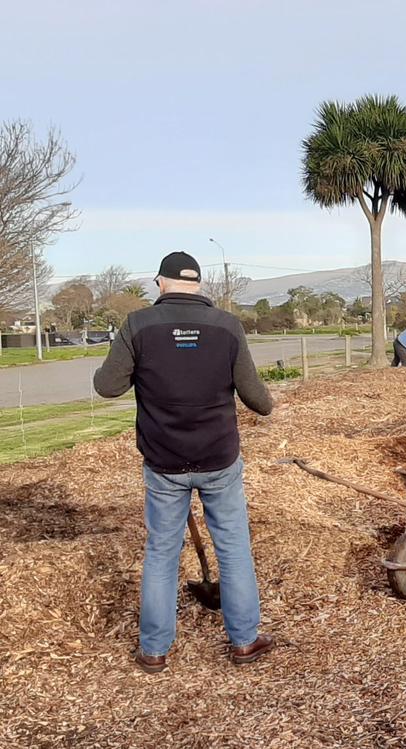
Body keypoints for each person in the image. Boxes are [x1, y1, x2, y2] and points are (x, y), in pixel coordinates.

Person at [93, 251, 275, 673]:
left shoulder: (137, 325)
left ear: (160, 282)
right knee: (233, 548)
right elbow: (257, 399)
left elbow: (107, 386)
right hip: (218, 459)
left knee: (161, 553)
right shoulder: (227, 326)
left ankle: (154, 650)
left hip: (164, 461)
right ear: (199, 284)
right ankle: (244, 642)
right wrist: (270, 402)